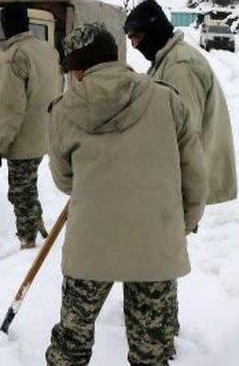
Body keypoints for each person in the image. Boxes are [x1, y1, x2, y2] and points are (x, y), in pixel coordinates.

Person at [45, 23, 206, 366]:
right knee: (151, 352)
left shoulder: (62, 111)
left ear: (77, 70)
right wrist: (180, 227)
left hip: (90, 246)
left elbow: (64, 180)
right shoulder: (166, 99)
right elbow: (194, 176)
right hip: (154, 243)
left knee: (71, 344)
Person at [123, 0, 237, 205]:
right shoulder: (166, 60)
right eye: (131, 39)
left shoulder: (180, 66)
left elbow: (185, 132)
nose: (135, 45)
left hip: (184, 180)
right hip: (177, 177)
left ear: (155, 29)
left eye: (138, 37)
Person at [0, 3, 62, 249]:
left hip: (23, 138)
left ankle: (28, 243)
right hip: (45, 133)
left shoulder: (14, 57)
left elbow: (10, 108)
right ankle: (37, 225)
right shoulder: (46, 50)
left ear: (7, 25)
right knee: (28, 186)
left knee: (19, 192)